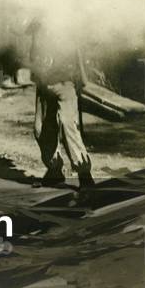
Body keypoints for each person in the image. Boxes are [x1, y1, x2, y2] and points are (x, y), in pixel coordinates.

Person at [28, 20, 95, 203]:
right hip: (44, 83)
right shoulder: (37, 23)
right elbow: (29, 43)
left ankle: (85, 176)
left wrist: (82, 79)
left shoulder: (65, 19)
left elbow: (77, 51)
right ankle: (54, 170)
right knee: (41, 128)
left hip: (65, 82)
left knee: (67, 125)